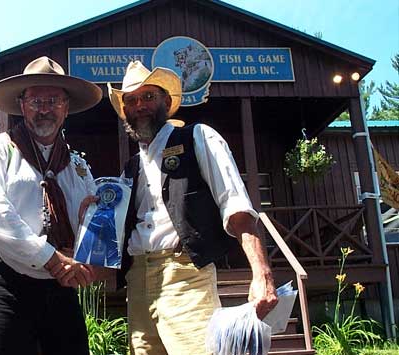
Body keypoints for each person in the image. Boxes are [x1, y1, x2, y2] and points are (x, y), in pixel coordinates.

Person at [107, 61, 279, 355]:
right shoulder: (129, 169)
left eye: (148, 96)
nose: (140, 105)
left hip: (185, 275)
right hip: (137, 283)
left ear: (166, 101)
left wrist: (262, 274)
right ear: (124, 111)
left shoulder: (198, 137)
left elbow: (236, 205)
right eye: (131, 100)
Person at [0, 56, 102, 355]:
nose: (45, 109)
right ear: (22, 106)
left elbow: (92, 225)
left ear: (66, 107)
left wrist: (86, 255)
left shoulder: (79, 167)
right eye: (36, 101)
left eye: (53, 100)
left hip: (59, 284)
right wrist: (50, 258)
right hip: (2, 281)